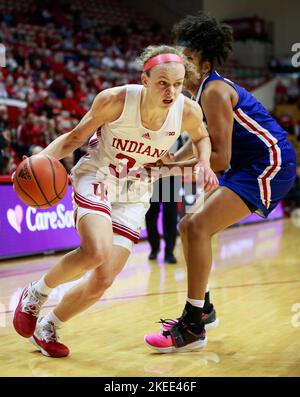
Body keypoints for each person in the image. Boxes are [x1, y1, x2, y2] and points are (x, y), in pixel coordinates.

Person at [13, 45, 219, 358]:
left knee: (102, 280)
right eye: (163, 83)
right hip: (98, 176)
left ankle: (49, 325)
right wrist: (39, 162)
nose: (171, 91)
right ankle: (36, 294)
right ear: (145, 79)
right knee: (96, 251)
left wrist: (203, 161)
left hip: (136, 191)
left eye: (177, 84)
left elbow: (202, 137)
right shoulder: (116, 100)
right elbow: (73, 138)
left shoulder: (187, 110)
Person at [144, 12, 297, 353]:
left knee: (197, 228)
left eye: (186, 56)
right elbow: (200, 138)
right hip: (248, 164)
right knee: (188, 226)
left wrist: (170, 169)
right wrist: (171, 158)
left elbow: (219, 159)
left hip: (267, 163)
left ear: (202, 57)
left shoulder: (214, 90)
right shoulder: (199, 94)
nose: (180, 63)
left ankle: (193, 324)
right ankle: (204, 309)